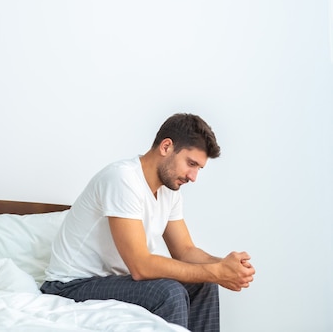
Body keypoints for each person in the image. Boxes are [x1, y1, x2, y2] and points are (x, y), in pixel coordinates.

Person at [41, 113, 255, 332]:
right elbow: (141, 266)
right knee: (169, 292)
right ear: (166, 147)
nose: (193, 177)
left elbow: (185, 250)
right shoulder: (122, 179)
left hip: (114, 281)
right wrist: (216, 272)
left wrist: (224, 266)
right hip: (70, 285)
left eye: (198, 168)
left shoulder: (169, 191)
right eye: (191, 163)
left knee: (204, 284)